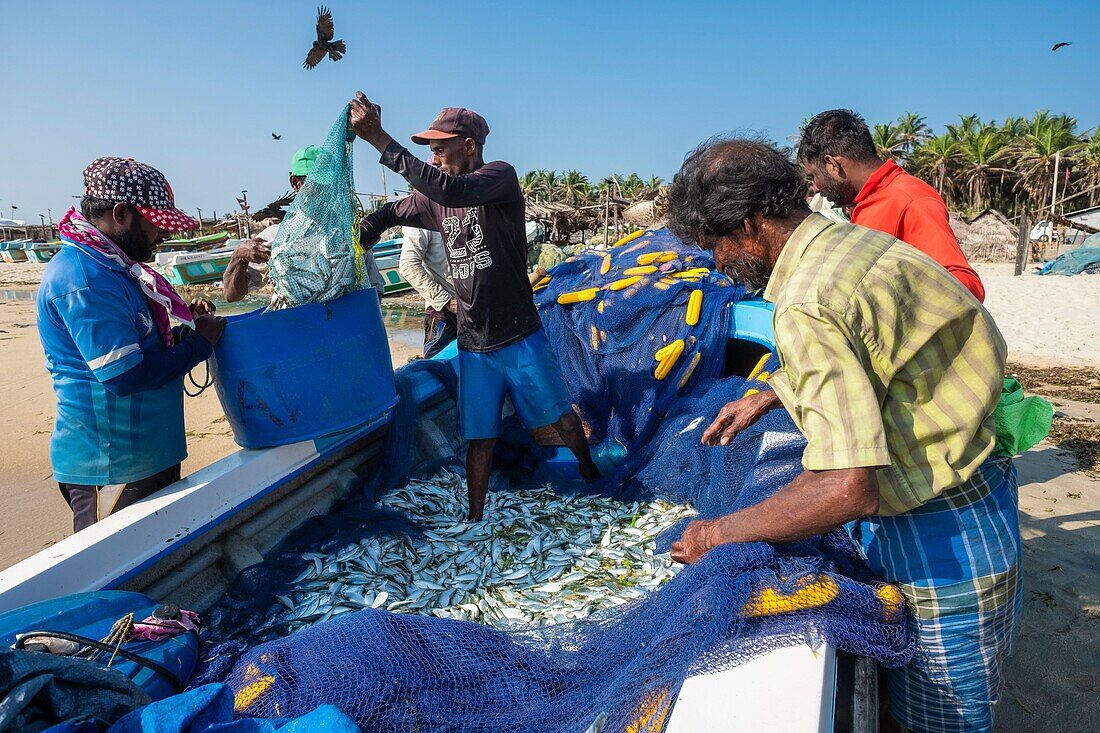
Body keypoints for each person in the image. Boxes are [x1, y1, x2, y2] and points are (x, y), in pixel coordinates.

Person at [667, 138, 1019, 733]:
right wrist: (775, 391)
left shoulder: (804, 302)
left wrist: (718, 532)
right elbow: (883, 344)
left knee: (945, 719)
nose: (718, 264)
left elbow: (845, 488)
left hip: (943, 539)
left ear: (751, 225)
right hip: (981, 490)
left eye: (716, 246)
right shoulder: (850, 244)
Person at [347, 93, 600, 520]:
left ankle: (591, 473)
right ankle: (475, 517)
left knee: (560, 416)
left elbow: (454, 190)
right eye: (430, 147)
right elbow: (395, 210)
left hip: (520, 334)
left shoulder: (498, 178)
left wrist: (378, 138)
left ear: (469, 145)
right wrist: (367, 229)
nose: (434, 154)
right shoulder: (432, 200)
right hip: (473, 343)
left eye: (440, 146)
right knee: (480, 438)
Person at [37, 157, 227, 532]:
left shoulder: (110, 264)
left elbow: (138, 340)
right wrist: (199, 346)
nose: (162, 235)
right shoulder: (84, 278)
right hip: (110, 464)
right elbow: (124, 376)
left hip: (144, 453)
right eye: (155, 224)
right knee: (111, 564)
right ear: (122, 214)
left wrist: (185, 329)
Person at [798, 109, 985, 302]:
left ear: (832, 165)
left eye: (813, 176)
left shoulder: (910, 199)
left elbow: (966, 287)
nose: (816, 188)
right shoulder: (866, 203)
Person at [224, 145, 385, 302]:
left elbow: (375, 292)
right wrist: (239, 257)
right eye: (317, 184)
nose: (326, 191)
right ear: (296, 183)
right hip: (297, 324)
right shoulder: (274, 237)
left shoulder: (349, 234)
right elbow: (232, 295)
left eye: (331, 184)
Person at [398, 224, 457, 358]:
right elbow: (408, 265)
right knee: (437, 367)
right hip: (444, 311)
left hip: (477, 307)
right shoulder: (420, 219)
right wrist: (446, 301)